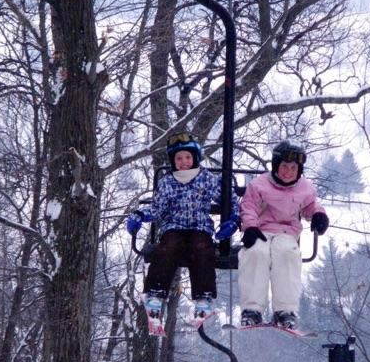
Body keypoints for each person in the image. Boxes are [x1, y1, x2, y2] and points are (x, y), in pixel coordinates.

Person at [127, 133, 240, 320]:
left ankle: (204, 297)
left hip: (200, 227)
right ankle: (155, 292)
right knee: (168, 247)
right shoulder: (167, 183)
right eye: (179, 158)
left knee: (202, 247)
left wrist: (234, 219)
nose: (184, 162)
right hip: (174, 226)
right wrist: (140, 214)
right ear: (173, 161)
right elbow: (157, 209)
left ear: (195, 157)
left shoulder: (206, 178)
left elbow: (229, 199)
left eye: (188, 157)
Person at [238, 140, 329, 329]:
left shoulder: (305, 188)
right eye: (284, 167)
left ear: (299, 170)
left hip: (286, 232)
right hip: (261, 230)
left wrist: (318, 215)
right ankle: (252, 309)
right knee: (256, 253)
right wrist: (250, 227)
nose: (288, 172)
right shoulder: (259, 185)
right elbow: (249, 207)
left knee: (287, 253)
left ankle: (285, 310)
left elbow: (311, 205)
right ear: (276, 166)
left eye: (293, 168)